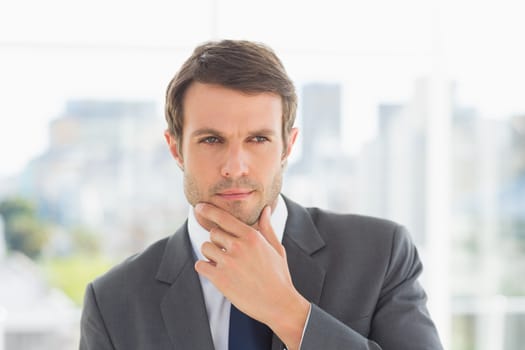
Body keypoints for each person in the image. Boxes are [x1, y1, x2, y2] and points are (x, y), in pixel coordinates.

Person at [80, 40, 443, 350]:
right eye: (211, 140)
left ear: (288, 146)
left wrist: (288, 312)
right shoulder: (114, 302)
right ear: (175, 149)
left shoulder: (380, 253)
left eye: (258, 139)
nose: (235, 166)